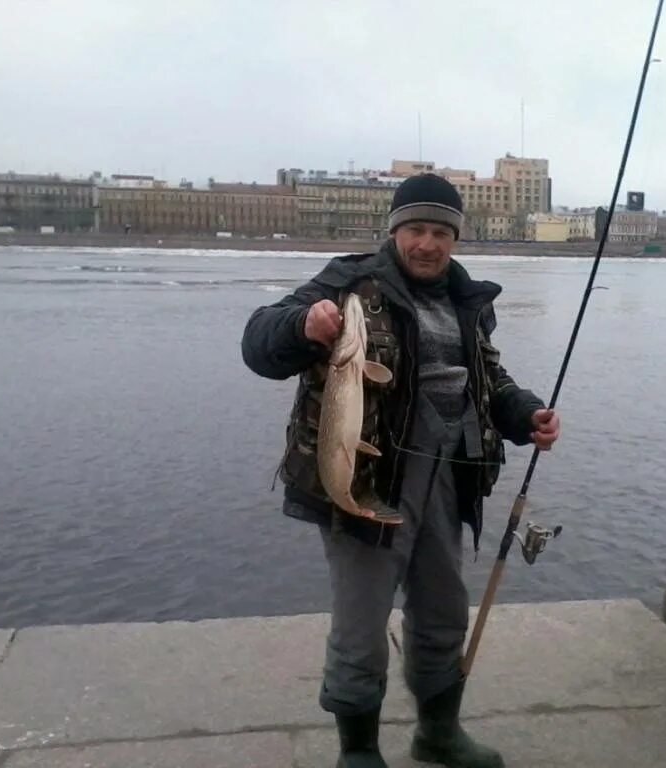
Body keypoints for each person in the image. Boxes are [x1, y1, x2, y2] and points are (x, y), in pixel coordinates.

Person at [241, 173, 560, 768]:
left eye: (441, 232)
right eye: (415, 229)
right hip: (364, 480)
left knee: (442, 612)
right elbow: (258, 342)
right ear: (394, 231)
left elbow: (490, 379)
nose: (427, 244)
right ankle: (357, 750)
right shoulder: (348, 283)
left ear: (455, 238)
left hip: (452, 475)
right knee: (361, 627)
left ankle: (438, 732)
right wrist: (300, 326)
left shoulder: (468, 299)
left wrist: (524, 415)